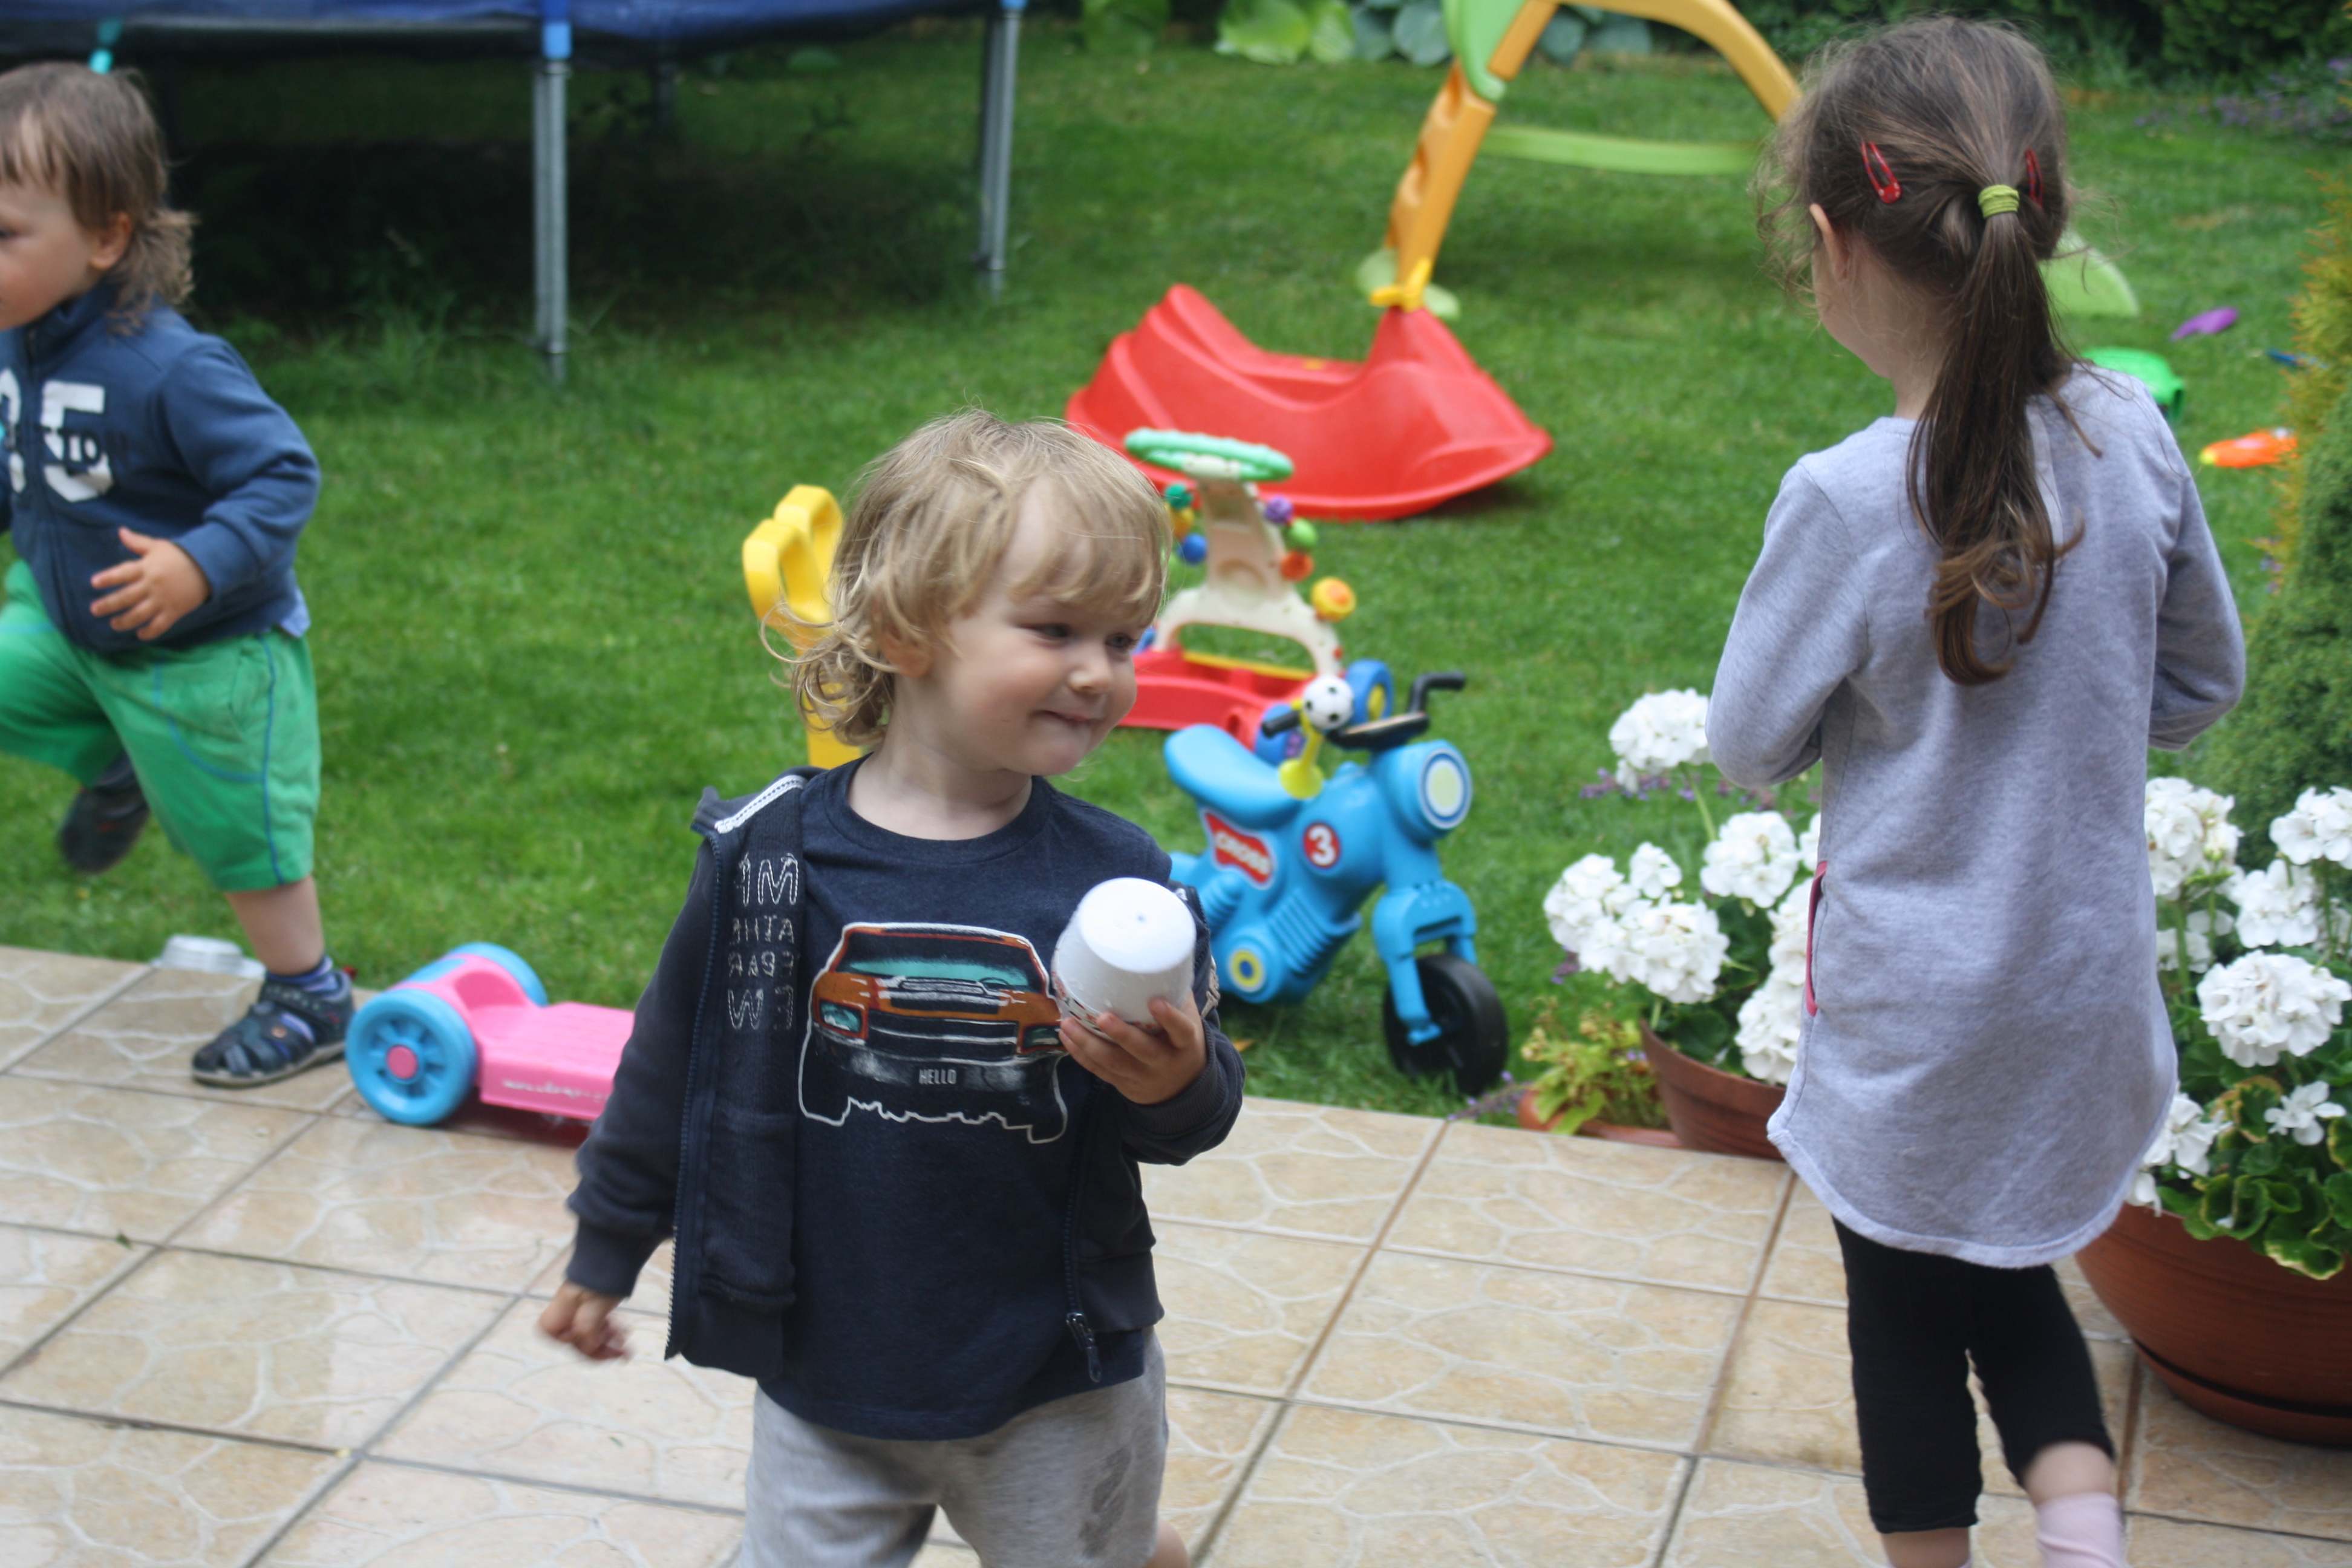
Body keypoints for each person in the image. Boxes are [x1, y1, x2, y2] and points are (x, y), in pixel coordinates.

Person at [1707, 21, 2244, 1568]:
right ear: (2039, 208)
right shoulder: (2131, 431)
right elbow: (2201, 684)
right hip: (2078, 1000)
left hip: (1913, 1022)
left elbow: (1748, 744)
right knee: (2011, 1276)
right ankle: (2083, 1535)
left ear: (1831, 241)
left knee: (1903, 1313)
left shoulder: (1845, 498)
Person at [540, 410, 1246, 1568]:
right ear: (903, 629)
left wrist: (1176, 1081)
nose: (1098, 671)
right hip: (826, 1369)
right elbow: (672, 1063)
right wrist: (608, 1241)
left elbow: (1184, 1123)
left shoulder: (1116, 883)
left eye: (1124, 638)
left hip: (1055, 1379)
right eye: (1056, 629)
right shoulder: (771, 862)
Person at [0, 64, 349, 1087]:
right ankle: (120, 760)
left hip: (204, 655)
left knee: (245, 839)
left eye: (5, 233)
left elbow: (283, 474)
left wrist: (198, 563)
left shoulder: (169, 368)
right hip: (71, 626)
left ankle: (310, 993)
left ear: (106, 240)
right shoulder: (20, 344)